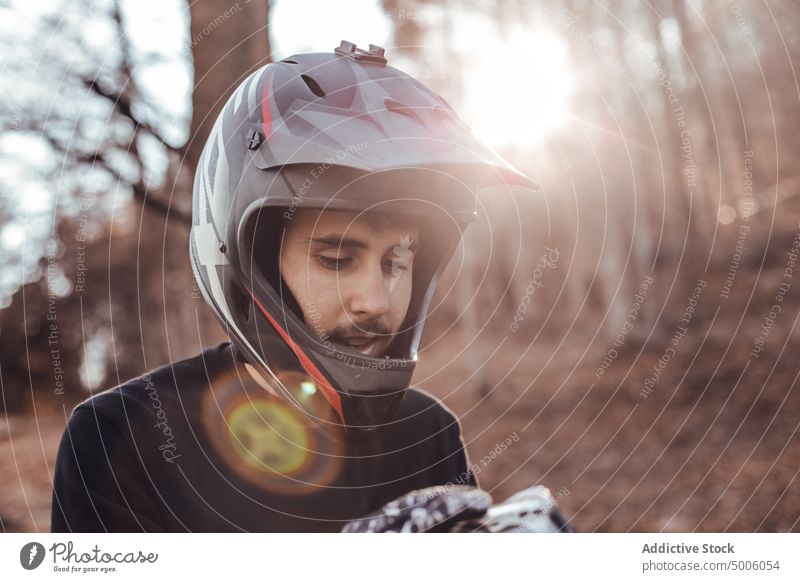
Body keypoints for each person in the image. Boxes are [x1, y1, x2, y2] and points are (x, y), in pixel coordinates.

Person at [50, 41, 543, 532]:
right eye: (335, 259)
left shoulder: (426, 432)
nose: (375, 302)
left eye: (396, 262)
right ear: (251, 261)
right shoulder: (118, 439)